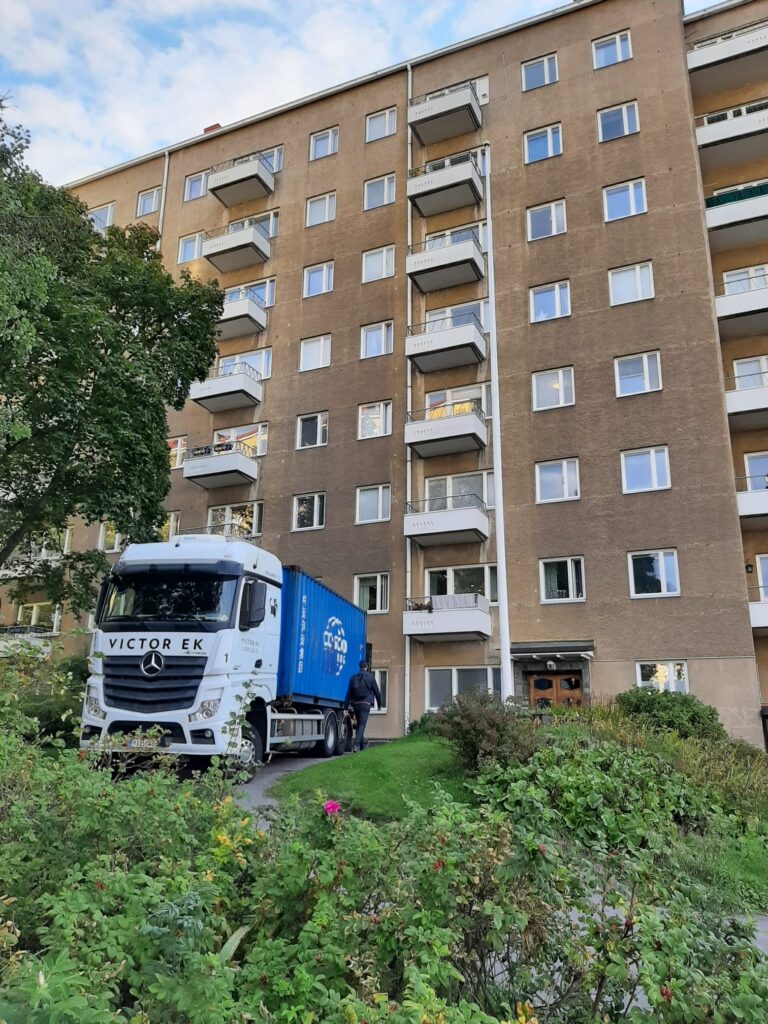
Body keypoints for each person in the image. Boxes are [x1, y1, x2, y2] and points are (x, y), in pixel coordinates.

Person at [343, 660, 382, 752]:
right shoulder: (370, 677)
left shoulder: (353, 677)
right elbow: (377, 692)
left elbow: (348, 694)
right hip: (366, 704)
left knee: (360, 724)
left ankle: (362, 748)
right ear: (367, 667)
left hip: (356, 705)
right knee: (362, 725)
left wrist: (345, 708)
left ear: (359, 667)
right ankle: (356, 745)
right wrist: (379, 705)